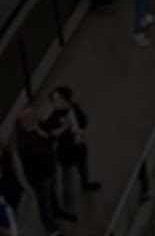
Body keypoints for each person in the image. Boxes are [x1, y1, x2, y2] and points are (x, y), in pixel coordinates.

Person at [44, 86, 100, 216]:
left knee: (83, 168)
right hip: (67, 153)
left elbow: (83, 121)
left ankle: (85, 184)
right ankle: (68, 206)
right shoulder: (53, 118)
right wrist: (64, 128)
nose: (57, 103)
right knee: (68, 180)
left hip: (80, 148)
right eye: (54, 101)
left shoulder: (74, 108)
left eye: (59, 100)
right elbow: (51, 136)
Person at [16, 110, 72, 234]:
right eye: (35, 120)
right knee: (44, 201)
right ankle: (50, 226)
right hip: (39, 177)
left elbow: (48, 131)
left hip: (49, 170)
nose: (38, 121)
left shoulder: (37, 127)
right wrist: (46, 134)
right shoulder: (25, 142)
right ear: (27, 123)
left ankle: (57, 212)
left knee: (52, 194)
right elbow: (46, 145)